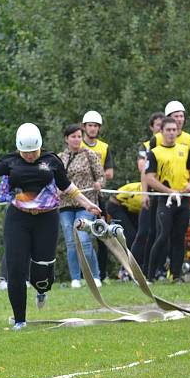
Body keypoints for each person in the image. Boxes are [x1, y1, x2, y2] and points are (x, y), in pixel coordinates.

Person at [0, 123, 101, 330]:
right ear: (19, 148)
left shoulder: (51, 161)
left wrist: (87, 203)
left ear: (40, 146)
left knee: (43, 268)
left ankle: (42, 289)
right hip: (18, 219)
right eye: (26, 152)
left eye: (33, 152)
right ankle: (19, 319)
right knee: (16, 269)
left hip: (46, 219)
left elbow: (66, 185)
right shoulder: (10, 161)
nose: (30, 156)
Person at [145, 117, 190, 282]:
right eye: (167, 130)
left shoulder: (184, 149)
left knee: (179, 237)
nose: (171, 133)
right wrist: (169, 191)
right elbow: (150, 178)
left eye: (173, 130)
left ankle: (177, 275)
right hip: (165, 200)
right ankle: (150, 275)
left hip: (182, 200)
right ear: (161, 132)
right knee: (162, 235)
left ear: (177, 131)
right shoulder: (154, 152)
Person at [57, 123, 104, 288]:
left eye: (79, 136)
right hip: (65, 205)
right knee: (70, 240)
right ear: (66, 139)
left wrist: (98, 183)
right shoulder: (60, 158)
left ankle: (94, 276)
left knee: (84, 239)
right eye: (73, 137)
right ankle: (75, 278)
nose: (77, 139)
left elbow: (101, 176)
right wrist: (57, 190)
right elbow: (53, 179)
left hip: (86, 204)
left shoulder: (90, 154)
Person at [81, 110, 114, 281]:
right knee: (82, 236)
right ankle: (82, 275)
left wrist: (97, 177)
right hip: (82, 197)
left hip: (99, 197)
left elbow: (109, 173)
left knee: (102, 235)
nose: (93, 129)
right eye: (90, 126)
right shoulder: (78, 146)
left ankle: (102, 274)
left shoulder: (104, 147)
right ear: (84, 127)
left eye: (95, 126)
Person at [131, 112, 165, 271]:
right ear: (152, 127)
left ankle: (155, 269)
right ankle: (130, 268)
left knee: (160, 233)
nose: (160, 128)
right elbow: (142, 167)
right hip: (149, 193)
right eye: (158, 125)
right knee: (144, 231)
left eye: (162, 125)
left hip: (165, 195)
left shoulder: (171, 146)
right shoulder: (146, 146)